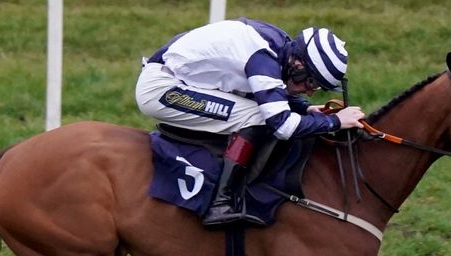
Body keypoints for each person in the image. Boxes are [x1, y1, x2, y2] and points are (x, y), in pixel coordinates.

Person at [135, 17, 365, 226]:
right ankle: (220, 204)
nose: (311, 91)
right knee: (254, 115)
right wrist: (334, 122)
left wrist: (305, 108)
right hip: (161, 90)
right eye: (311, 83)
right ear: (299, 66)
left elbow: (268, 89)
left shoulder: (279, 49)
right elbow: (282, 126)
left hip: (181, 80)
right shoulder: (264, 59)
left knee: (255, 110)